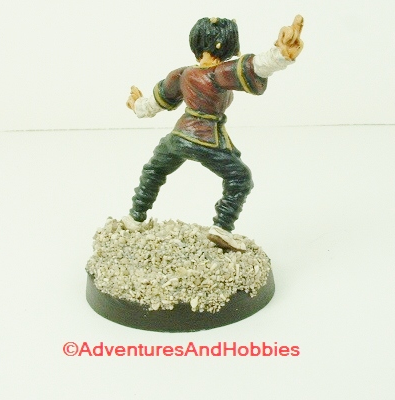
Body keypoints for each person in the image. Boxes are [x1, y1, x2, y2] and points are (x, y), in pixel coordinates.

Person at [123, 15, 304, 251]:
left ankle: (136, 216)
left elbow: (155, 103)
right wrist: (280, 54)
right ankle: (222, 227)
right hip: (206, 140)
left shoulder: (181, 74)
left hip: (178, 137)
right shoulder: (219, 73)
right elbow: (255, 66)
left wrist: (137, 106)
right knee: (240, 178)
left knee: (154, 169)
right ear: (226, 45)